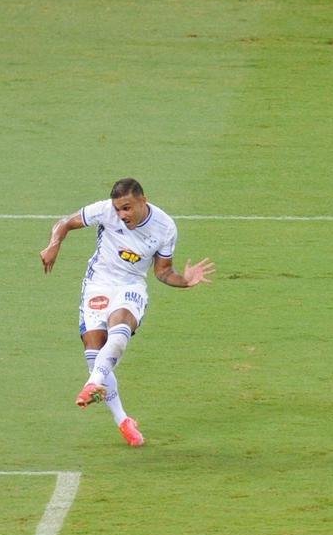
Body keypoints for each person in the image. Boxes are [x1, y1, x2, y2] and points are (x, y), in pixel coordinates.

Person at [40, 178, 215, 446]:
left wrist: (186, 281)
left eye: (127, 208)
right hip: (97, 284)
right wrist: (54, 245)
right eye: (118, 209)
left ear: (143, 201)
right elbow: (65, 223)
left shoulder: (165, 226)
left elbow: (163, 271)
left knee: (119, 333)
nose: (122, 215)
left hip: (130, 286)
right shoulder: (104, 211)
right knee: (95, 356)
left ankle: (91, 385)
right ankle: (123, 420)